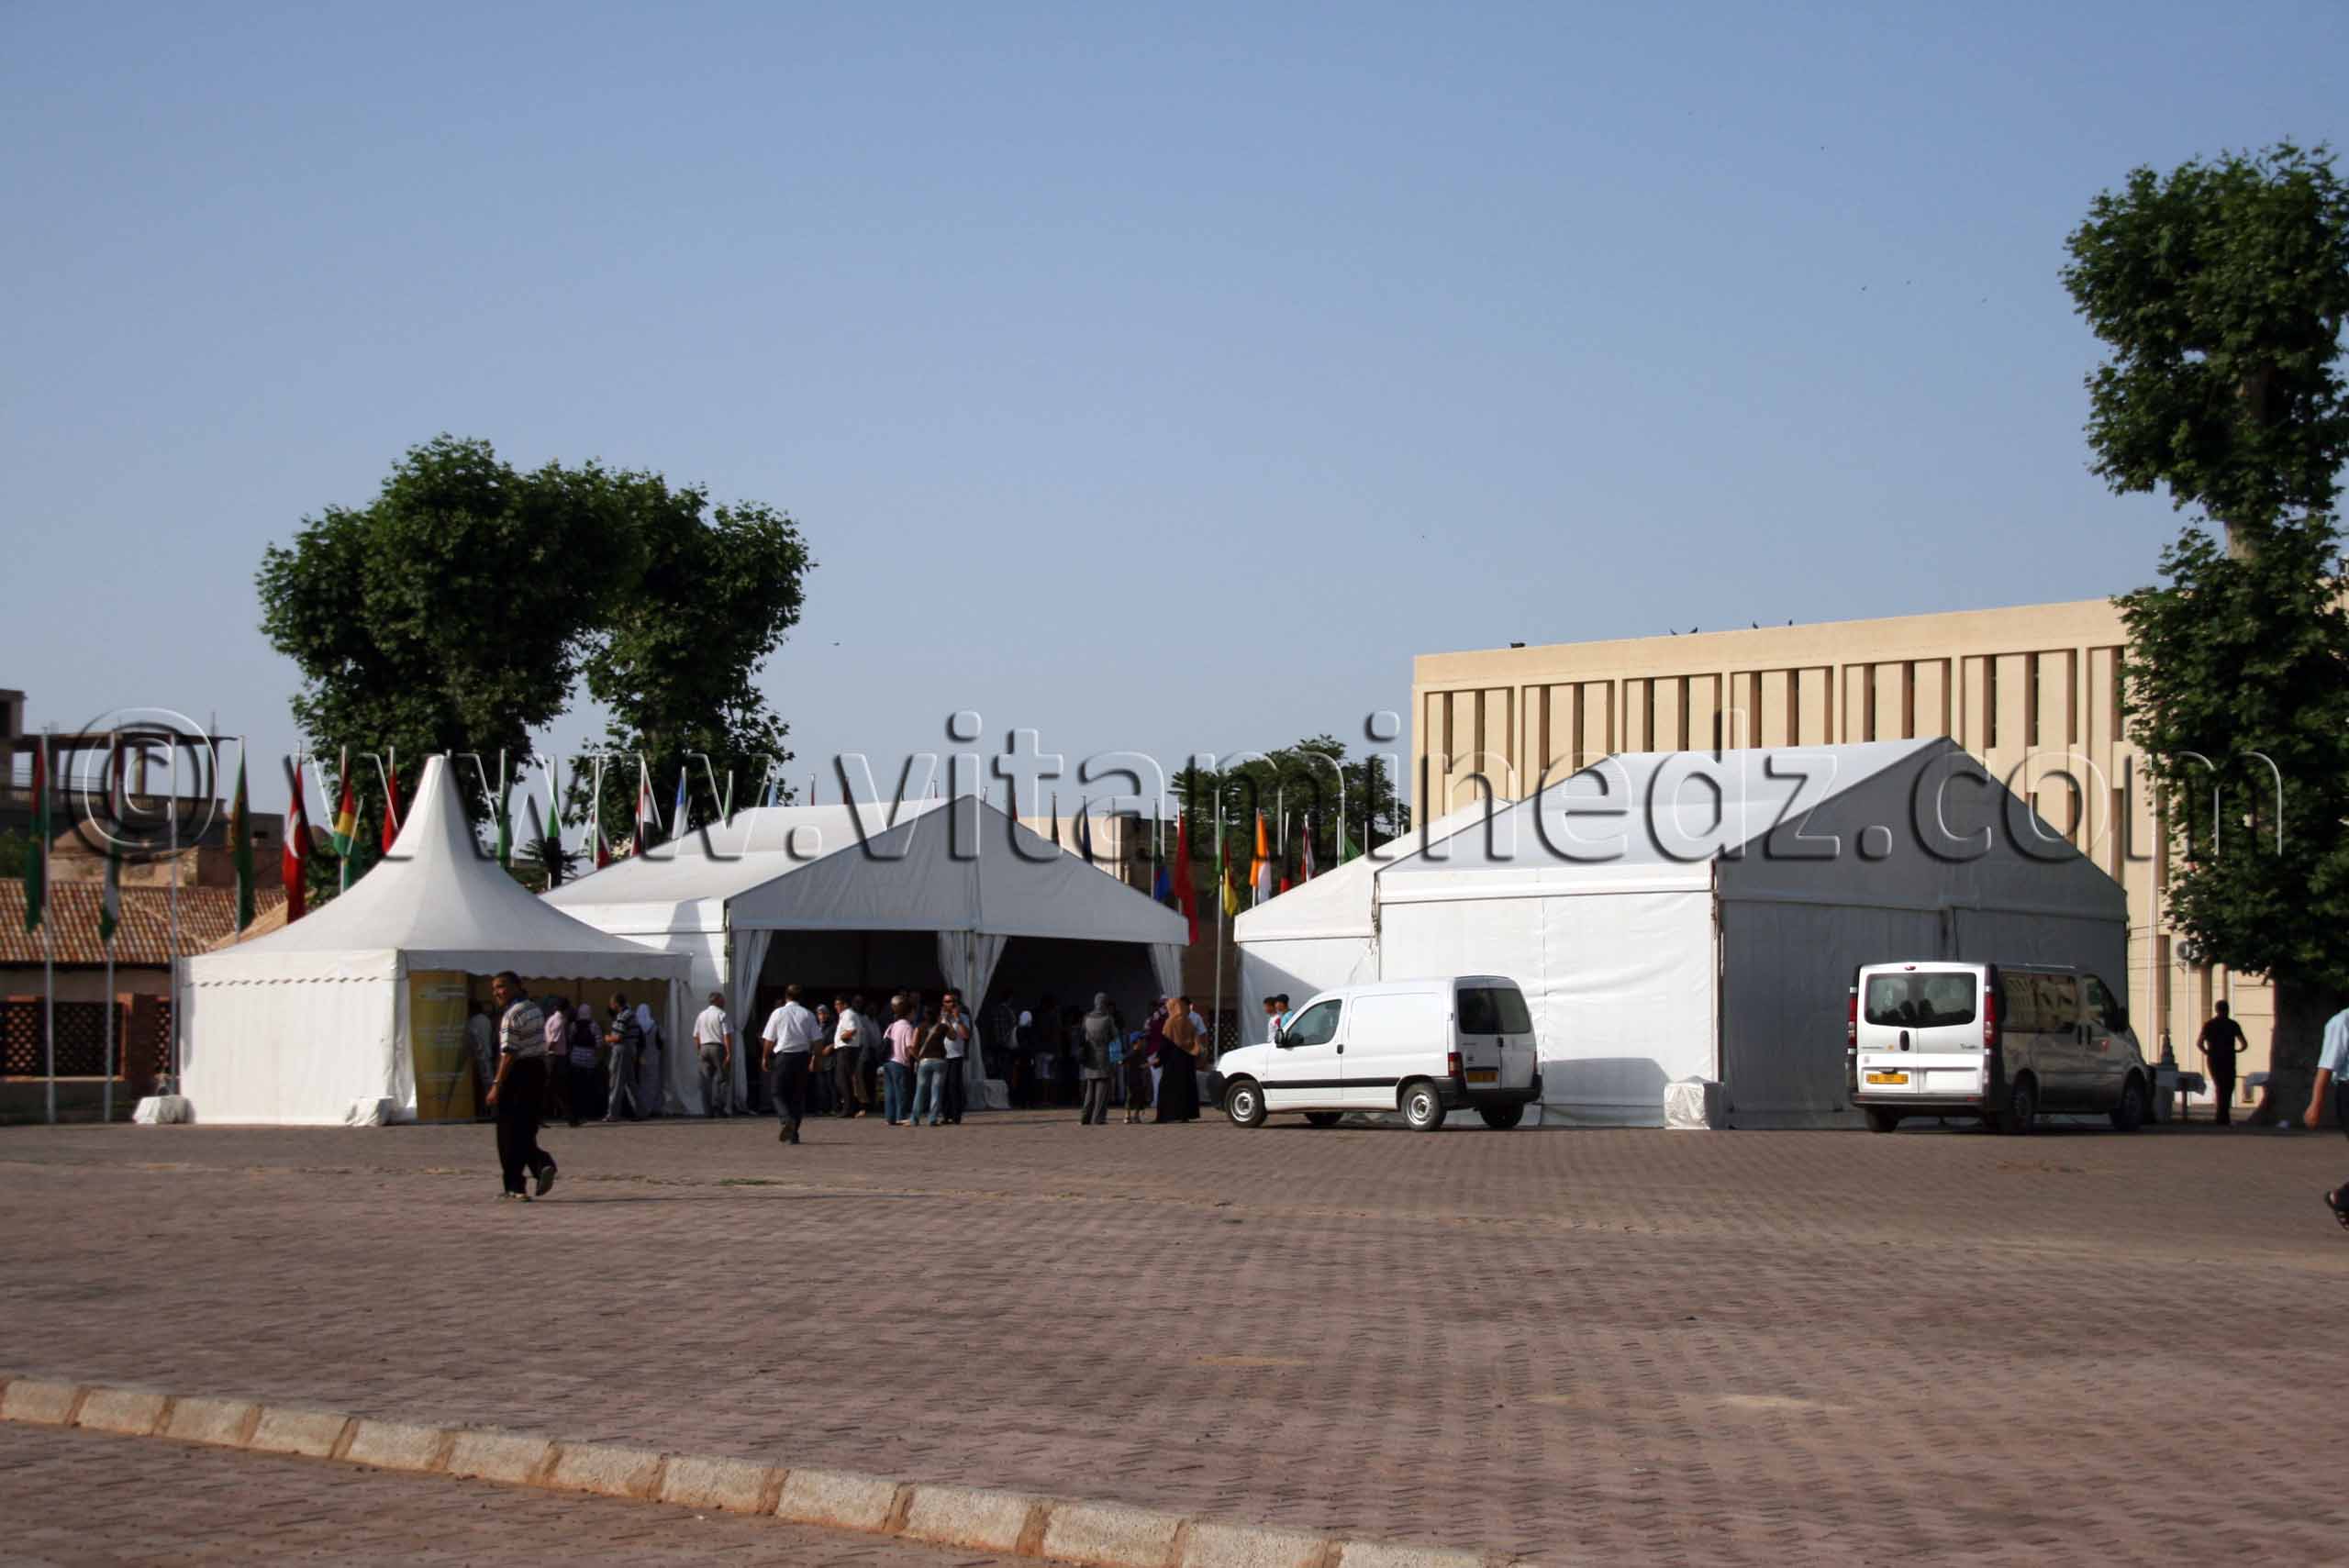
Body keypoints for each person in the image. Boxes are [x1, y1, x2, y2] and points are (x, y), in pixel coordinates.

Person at [485, 971, 555, 1202]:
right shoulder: (534, 1008)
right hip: (537, 1071)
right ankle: (539, 1166)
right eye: (495, 987)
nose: (497, 992)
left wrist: (497, 1084)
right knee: (525, 1129)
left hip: (517, 1074)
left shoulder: (511, 1015)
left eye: (502, 986)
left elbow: (509, 1054)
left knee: (507, 1132)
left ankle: (517, 1184)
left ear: (517, 986)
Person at [761, 984, 822, 1145]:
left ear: (786, 996)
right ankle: (794, 1134)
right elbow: (818, 1040)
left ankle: (786, 1120)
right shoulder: (808, 1014)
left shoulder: (778, 1013)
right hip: (802, 1058)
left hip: (783, 1057)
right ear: (801, 998)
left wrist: (765, 1056)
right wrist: (816, 1058)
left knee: (777, 1092)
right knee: (797, 1096)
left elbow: (769, 1039)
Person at [2311, 1004, 2349, 1228]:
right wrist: (2316, 1104)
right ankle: (2342, 1198)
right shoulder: (2342, 1022)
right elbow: (2326, 1066)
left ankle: (2343, 1199)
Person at [2197, 1001, 2248, 1126]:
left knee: (2219, 1086)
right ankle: (2223, 1116)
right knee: (2228, 1087)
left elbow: (2199, 1043)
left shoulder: (2209, 1025)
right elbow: (2244, 1044)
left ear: (2216, 1010)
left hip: (2214, 1058)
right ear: (2228, 1010)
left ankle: (2221, 1116)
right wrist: (2237, 1050)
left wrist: (2207, 1052)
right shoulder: (2233, 1025)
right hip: (2228, 1058)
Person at [1155, 995, 1202, 1123]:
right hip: (1187, 1061)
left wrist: (1159, 1059)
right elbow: (1195, 1041)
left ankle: (1165, 1116)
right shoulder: (1188, 1022)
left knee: (1166, 1088)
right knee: (1185, 1088)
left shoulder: (1170, 1022)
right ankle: (1184, 1115)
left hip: (1172, 1062)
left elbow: (1165, 1043)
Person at [602, 994, 644, 1123]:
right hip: (630, 1049)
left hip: (621, 1050)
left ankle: (613, 1114)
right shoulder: (631, 1014)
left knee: (616, 1083)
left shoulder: (623, 1016)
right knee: (631, 1083)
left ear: (616, 1003)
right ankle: (641, 1111)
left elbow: (618, 1037)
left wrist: (607, 1038)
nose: (610, 1005)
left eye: (611, 1003)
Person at [910, 1002, 953, 1127]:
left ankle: (914, 1119)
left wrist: (919, 1059)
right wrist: (947, 1022)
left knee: (920, 1091)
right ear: (937, 1015)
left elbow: (913, 1046)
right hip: (940, 1061)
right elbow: (953, 1037)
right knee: (936, 1091)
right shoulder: (942, 1027)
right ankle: (932, 1119)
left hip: (924, 1061)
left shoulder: (920, 1027)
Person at [694, 992, 734, 1119]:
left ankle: (707, 1111)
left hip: (704, 1047)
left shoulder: (701, 1015)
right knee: (721, 1079)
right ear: (717, 1001)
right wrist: (729, 1052)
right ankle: (718, 1109)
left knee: (706, 1081)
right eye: (722, 1000)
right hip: (718, 1047)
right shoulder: (722, 1014)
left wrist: (699, 1049)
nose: (724, 1002)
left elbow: (696, 1035)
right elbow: (727, 1034)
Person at [1077, 993, 1116, 1125]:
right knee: (1102, 1088)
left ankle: (1085, 1117)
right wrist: (1117, 1058)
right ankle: (1098, 1118)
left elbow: (1083, 1036)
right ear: (1105, 1003)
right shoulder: (1107, 1019)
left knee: (1090, 1088)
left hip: (1089, 1056)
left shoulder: (1086, 1018)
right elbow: (1114, 1037)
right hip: (1103, 1056)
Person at [883, 995, 918, 1125]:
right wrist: (919, 1058)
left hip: (888, 1062)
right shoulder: (908, 1027)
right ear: (909, 1013)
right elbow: (909, 1047)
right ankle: (900, 1116)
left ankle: (890, 1117)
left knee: (890, 1092)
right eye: (914, 1012)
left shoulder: (892, 1025)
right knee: (901, 1092)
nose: (915, 1015)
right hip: (900, 1063)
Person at [939, 991, 973, 1124]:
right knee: (944, 1085)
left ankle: (956, 1115)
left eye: (953, 1001)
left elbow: (966, 1036)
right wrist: (945, 1020)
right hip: (943, 1055)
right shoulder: (940, 1018)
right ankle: (946, 1115)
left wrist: (957, 1019)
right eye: (947, 1001)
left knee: (954, 1085)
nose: (950, 1004)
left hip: (956, 1055)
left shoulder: (963, 1017)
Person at [542, 995, 576, 1127]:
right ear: (566, 1009)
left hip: (552, 1057)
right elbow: (553, 1042)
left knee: (556, 1089)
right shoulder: (560, 1021)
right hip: (556, 1057)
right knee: (554, 1088)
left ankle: (570, 1117)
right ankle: (570, 1117)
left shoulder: (551, 1019)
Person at [832, 995, 868, 1117]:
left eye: (838, 1004)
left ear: (845, 1004)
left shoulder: (848, 1014)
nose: (836, 1007)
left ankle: (848, 1109)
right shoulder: (849, 1014)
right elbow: (860, 1029)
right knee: (844, 1079)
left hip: (846, 1050)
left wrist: (843, 1037)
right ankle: (850, 1107)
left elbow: (852, 1029)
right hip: (849, 1050)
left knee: (842, 1080)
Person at [569, 1003, 605, 1122]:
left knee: (576, 1088)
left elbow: (570, 1040)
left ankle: (577, 1113)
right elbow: (599, 1043)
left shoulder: (573, 1025)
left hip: (575, 1059)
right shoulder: (594, 1025)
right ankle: (588, 1112)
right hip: (589, 1060)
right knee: (588, 1087)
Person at [467, 1001, 497, 1119]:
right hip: (488, 1055)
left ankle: (489, 1111)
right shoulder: (486, 1019)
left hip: (480, 1057)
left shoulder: (472, 1022)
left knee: (485, 1086)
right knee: (489, 1085)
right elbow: (492, 1037)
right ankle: (491, 1110)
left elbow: (475, 1041)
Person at [635, 1001, 664, 1118]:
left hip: (640, 1056)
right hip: (653, 1056)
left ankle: (641, 1108)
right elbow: (661, 1042)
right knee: (652, 1082)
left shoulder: (636, 1025)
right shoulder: (654, 1025)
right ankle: (652, 1107)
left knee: (641, 1083)